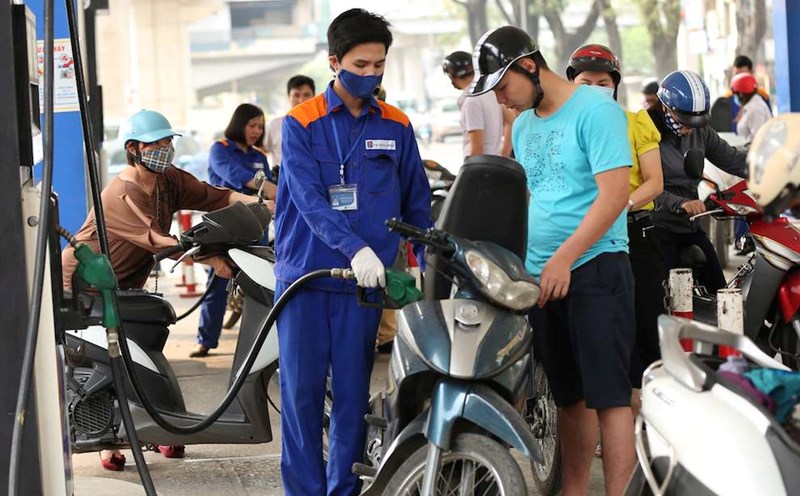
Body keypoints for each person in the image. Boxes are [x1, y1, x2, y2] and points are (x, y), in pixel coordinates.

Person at [470, 26, 636, 495]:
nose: (504, 101)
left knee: (610, 397)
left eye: (504, 88)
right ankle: (574, 489)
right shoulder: (523, 126)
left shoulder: (597, 110)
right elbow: (532, 197)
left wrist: (564, 257)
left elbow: (615, 196)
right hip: (543, 277)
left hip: (596, 267)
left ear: (528, 65)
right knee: (569, 396)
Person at [274, 8, 430, 495]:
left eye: (379, 65)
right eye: (361, 65)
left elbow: (417, 203)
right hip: (306, 280)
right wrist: (357, 247)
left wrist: (422, 263)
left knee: (351, 398)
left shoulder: (398, 125)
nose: (371, 75)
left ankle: (345, 490)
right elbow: (309, 202)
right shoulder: (300, 124)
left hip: (364, 287)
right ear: (334, 61)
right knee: (300, 398)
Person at [61, 109, 259, 471]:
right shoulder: (121, 193)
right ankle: (109, 439)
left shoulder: (168, 181)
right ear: (134, 148)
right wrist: (213, 260)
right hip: (83, 285)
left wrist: (269, 205)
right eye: (157, 143)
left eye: (168, 142)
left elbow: (216, 197)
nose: (165, 149)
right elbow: (159, 242)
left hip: (124, 286)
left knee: (146, 343)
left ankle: (161, 427)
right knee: (110, 359)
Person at [566, 44, 664, 414]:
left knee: (642, 328)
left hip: (636, 235)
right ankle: (605, 417)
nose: (595, 87)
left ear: (615, 85)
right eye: (586, 81)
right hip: (585, 242)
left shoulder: (636, 122)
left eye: (603, 82)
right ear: (572, 83)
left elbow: (654, 182)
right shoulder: (564, 126)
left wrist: (620, 204)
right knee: (597, 336)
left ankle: (647, 418)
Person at [647, 70, 747, 293]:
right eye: (684, 121)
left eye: (696, 121)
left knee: (720, 292)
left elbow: (732, 159)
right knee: (658, 300)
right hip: (658, 228)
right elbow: (642, 187)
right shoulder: (645, 132)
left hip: (690, 224)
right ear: (664, 106)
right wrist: (679, 203)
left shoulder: (700, 131)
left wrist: (768, 168)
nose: (690, 128)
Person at [190, 103, 277, 358]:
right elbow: (236, 176)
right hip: (225, 226)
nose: (256, 130)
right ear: (239, 124)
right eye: (251, 125)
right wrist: (272, 189)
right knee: (218, 282)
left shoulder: (258, 155)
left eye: (260, 126)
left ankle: (257, 346)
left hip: (255, 226)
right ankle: (205, 340)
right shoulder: (220, 149)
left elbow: (264, 183)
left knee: (258, 284)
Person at [442, 50, 514, 158]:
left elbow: (477, 148)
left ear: (452, 76)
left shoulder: (472, 101)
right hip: (492, 162)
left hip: (479, 166)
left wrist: (472, 172)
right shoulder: (490, 92)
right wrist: (504, 156)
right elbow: (511, 120)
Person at [263, 75, 316, 169]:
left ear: (314, 96)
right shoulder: (274, 125)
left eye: (306, 95)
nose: (301, 100)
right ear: (288, 96)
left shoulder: (321, 124)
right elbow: (261, 150)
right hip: (281, 179)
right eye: (296, 95)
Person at [731, 72, 772, 142]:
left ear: (741, 94)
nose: (734, 97)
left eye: (735, 94)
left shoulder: (755, 109)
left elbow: (757, 140)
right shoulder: (752, 106)